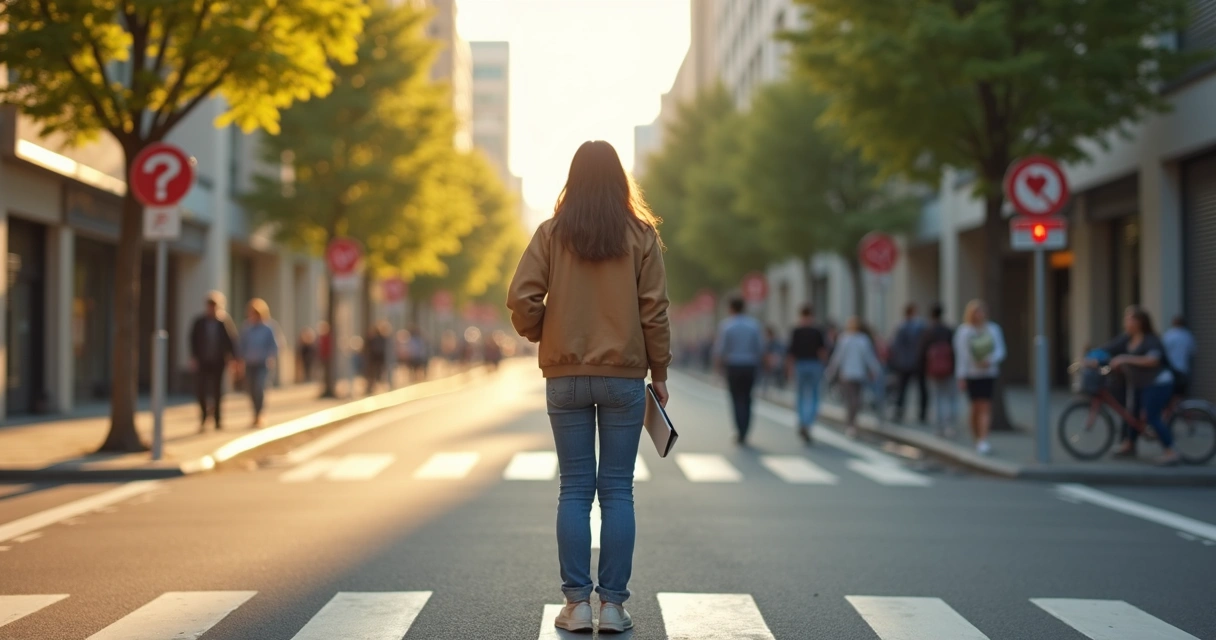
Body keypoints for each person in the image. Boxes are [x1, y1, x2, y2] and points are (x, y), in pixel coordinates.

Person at [506, 140, 670, 634]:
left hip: (565, 376)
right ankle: (613, 607)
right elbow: (655, 310)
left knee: (574, 490)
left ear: (572, 180)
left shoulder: (552, 233)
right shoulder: (641, 235)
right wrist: (658, 372)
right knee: (618, 490)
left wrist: (543, 331)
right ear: (621, 180)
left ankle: (576, 605)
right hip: (624, 376)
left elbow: (521, 297)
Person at [1095, 306, 1181, 465]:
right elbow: (1108, 349)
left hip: (1158, 382)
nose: (1126, 322)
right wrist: (1091, 357)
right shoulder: (1127, 338)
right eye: (1126, 318)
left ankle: (1171, 451)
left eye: (1130, 318)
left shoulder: (1151, 339)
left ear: (1140, 322)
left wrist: (1125, 358)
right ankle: (1130, 444)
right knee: (1132, 414)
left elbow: (1153, 360)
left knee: (1151, 416)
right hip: (1138, 383)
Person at [954, 299, 1006, 455]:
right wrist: (961, 376)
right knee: (975, 408)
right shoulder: (964, 331)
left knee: (985, 406)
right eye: (976, 312)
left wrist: (990, 360)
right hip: (971, 374)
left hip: (988, 374)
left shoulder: (993, 329)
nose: (979, 315)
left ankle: (983, 439)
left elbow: (1001, 350)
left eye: (981, 311)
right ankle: (976, 437)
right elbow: (961, 356)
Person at [714, 298, 765, 445]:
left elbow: (720, 350)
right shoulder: (754, 325)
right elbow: (760, 348)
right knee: (748, 398)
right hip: (750, 366)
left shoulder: (726, 326)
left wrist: (717, 368)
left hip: (733, 366)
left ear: (731, 308)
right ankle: (746, 429)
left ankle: (739, 430)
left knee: (735, 398)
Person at [188, 292, 238, 432]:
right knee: (201, 390)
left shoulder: (224, 323)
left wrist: (234, 359)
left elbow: (231, 341)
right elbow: (193, 340)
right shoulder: (199, 322)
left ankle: (217, 420)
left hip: (218, 362)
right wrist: (193, 357)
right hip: (203, 361)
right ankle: (204, 417)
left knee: (217, 392)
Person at [825, 316, 882, 437]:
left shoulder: (845, 339)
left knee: (850, 400)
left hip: (847, 374)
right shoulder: (861, 339)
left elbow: (837, 357)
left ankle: (850, 424)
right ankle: (852, 424)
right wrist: (875, 369)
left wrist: (831, 370)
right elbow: (869, 357)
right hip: (858, 373)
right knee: (856, 400)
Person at [786, 305, 828, 444]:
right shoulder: (817, 330)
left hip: (800, 365)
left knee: (801, 395)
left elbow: (791, 352)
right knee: (814, 395)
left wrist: (790, 369)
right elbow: (822, 351)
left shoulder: (796, 330)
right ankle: (808, 423)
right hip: (814, 365)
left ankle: (802, 421)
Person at [239, 298, 280, 428]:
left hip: (262, 363)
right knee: (250, 389)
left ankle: (260, 414)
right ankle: (254, 414)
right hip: (249, 362)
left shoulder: (268, 327)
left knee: (259, 387)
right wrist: (239, 360)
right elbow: (241, 345)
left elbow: (274, 345)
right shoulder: (247, 327)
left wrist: (271, 357)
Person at [917, 303, 956, 437]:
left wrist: (922, 369)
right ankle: (949, 425)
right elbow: (954, 351)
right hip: (948, 369)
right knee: (950, 398)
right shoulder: (948, 330)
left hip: (932, 369)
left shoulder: (928, 331)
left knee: (937, 398)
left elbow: (922, 352)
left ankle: (939, 427)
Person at [889, 303, 928, 424]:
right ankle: (920, 414)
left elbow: (895, 346)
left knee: (905, 389)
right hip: (912, 363)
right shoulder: (915, 326)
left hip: (907, 363)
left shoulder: (906, 326)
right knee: (910, 389)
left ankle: (903, 412)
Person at [1163, 315, 1197, 398]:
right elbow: (1193, 351)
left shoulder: (1168, 335)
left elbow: (1163, 352)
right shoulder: (1188, 336)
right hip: (1184, 369)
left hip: (1170, 370)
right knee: (1180, 394)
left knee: (1170, 394)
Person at [363, 322, 389, 394]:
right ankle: (371, 386)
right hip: (375, 358)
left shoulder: (377, 338)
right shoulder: (375, 338)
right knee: (374, 373)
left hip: (375, 358)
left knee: (375, 373)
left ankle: (373, 386)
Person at [761, 326, 786, 395]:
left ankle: (780, 389)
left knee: (778, 376)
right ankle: (765, 390)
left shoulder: (776, 342)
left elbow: (781, 352)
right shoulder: (765, 342)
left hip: (776, 362)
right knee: (766, 376)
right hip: (768, 362)